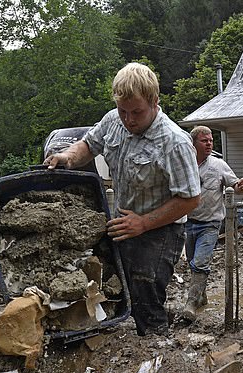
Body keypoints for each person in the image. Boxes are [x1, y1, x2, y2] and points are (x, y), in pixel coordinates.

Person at [44, 63, 201, 336]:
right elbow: (88, 145)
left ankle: (155, 342)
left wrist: (143, 223)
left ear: (155, 101)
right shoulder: (113, 121)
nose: (129, 119)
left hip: (161, 229)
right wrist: (68, 156)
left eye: (136, 112)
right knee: (111, 284)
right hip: (123, 221)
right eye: (123, 111)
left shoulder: (175, 142)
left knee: (145, 291)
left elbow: (190, 199)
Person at [181, 126, 243, 322]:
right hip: (187, 222)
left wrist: (241, 186)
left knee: (201, 262)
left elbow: (235, 187)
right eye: (204, 141)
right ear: (193, 143)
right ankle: (201, 298)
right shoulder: (185, 165)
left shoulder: (219, 165)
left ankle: (191, 304)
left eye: (211, 140)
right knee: (194, 264)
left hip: (210, 223)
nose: (209, 143)